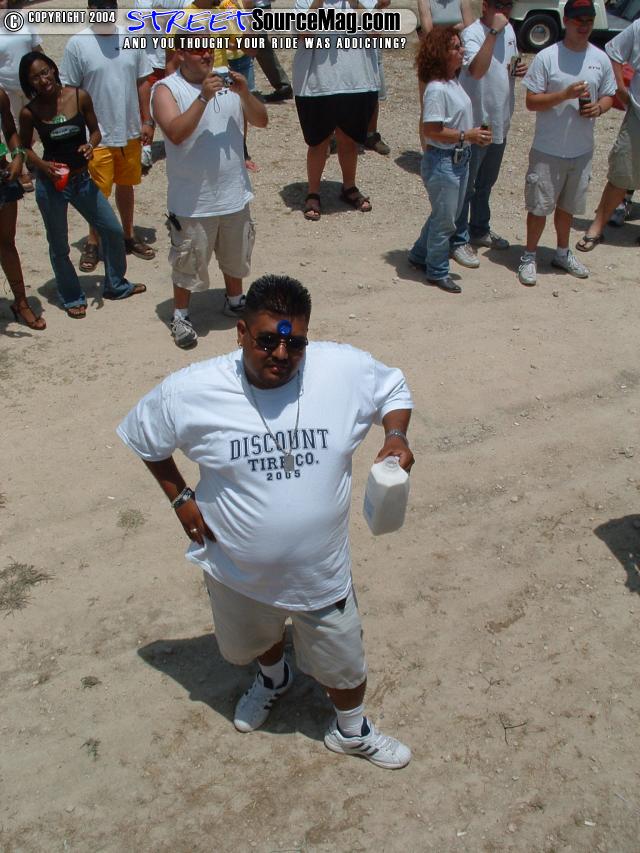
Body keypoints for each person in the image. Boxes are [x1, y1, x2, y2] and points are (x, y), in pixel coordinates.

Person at [117, 273, 414, 770]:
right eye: (267, 340)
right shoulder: (193, 391)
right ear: (241, 333)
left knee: (344, 663)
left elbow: (394, 388)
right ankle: (275, 678)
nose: (281, 353)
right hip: (238, 572)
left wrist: (397, 436)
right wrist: (180, 498)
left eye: (295, 343)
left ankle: (351, 729)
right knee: (258, 638)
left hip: (321, 574)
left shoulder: (340, 369)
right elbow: (144, 437)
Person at [151, 37, 267, 348]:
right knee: (188, 260)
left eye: (208, 47)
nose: (206, 54)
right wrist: (202, 97)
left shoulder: (229, 82)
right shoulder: (165, 90)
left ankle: (235, 300)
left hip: (233, 193)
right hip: (192, 200)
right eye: (197, 49)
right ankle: (180, 315)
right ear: (180, 53)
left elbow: (261, 120)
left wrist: (245, 94)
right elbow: (175, 133)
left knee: (235, 253)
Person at [17, 53, 146, 317]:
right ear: (28, 83)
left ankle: (116, 284)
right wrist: (43, 166)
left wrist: (90, 145)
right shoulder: (29, 111)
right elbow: (24, 148)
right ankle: (72, 296)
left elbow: (95, 131)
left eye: (45, 72)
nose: (43, 80)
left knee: (112, 229)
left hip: (82, 180)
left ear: (53, 69)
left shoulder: (79, 96)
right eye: (35, 78)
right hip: (51, 185)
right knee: (59, 245)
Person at [518, 0, 615, 286]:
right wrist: (563, 95)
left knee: (568, 208)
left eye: (588, 21)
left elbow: (609, 95)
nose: (584, 26)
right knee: (539, 207)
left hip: (581, 150)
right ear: (566, 21)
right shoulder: (547, 57)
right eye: (578, 20)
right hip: (548, 149)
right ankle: (529, 256)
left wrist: (599, 108)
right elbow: (531, 101)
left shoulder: (600, 58)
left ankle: (562, 252)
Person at [60, 0, 156, 272]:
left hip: (129, 131)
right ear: (90, 10)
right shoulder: (77, 44)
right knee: (96, 193)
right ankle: (93, 241)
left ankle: (128, 235)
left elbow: (143, 82)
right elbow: (70, 92)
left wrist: (147, 120)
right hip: (95, 136)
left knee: (127, 185)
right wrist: (73, 134)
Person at [408, 27, 492, 294]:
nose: (462, 51)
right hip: (443, 161)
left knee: (445, 215)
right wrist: (467, 135)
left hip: (458, 158)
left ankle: (420, 254)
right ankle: (437, 270)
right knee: (446, 220)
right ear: (441, 54)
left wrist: (472, 136)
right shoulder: (436, 89)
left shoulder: (452, 82)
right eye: (456, 47)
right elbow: (431, 130)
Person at [450, 0, 526, 270]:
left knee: (486, 183)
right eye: (498, 4)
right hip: (475, 123)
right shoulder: (472, 34)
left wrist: (518, 69)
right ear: (485, 5)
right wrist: (493, 33)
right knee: (465, 185)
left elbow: (506, 66)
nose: (503, 11)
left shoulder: (510, 31)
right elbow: (476, 70)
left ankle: (479, 228)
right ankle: (457, 239)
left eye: (508, 5)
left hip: (499, 119)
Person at [293, 0, 379, 221]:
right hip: (317, 84)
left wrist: (356, 5)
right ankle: (313, 193)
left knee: (349, 139)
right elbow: (303, 33)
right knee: (318, 141)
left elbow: (376, 33)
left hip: (356, 81)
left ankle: (349, 187)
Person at [576, 18, 640, 252]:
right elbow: (613, 51)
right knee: (621, 173)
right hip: (638, 115)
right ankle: (597, 227)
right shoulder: (639, 27)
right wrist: (619, 89)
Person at [0, 86, 45, 329]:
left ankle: (21, 302)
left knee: (6, 243)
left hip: (2, 175)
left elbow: (9, 129)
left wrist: (18, 156)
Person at [0, 0, 42, 191]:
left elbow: (36, 49)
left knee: (37, 126)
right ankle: (23, 169)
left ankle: (29, 156)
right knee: (13, 128)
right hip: (5, 87)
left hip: (31, 84)